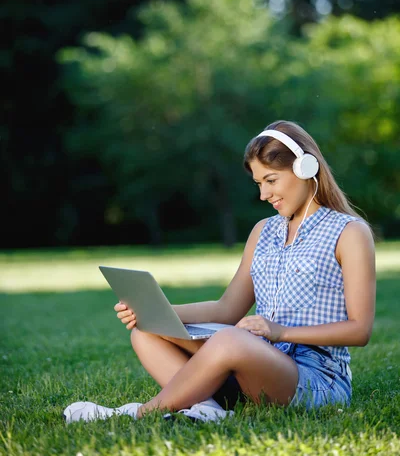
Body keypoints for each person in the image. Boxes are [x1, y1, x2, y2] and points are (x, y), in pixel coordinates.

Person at [64, 120, 376, 423]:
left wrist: (279, 332)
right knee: (147, 331)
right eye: (258, 183)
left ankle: (139, 413)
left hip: (317, 379)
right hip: (254, 363)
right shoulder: (263, 232)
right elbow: (227, 309)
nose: (264, 195)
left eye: (271, 180)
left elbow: (359, 330)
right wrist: (161, 313)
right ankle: (209, 408)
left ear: (305, 169)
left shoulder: (349, 233)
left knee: (230, 340)